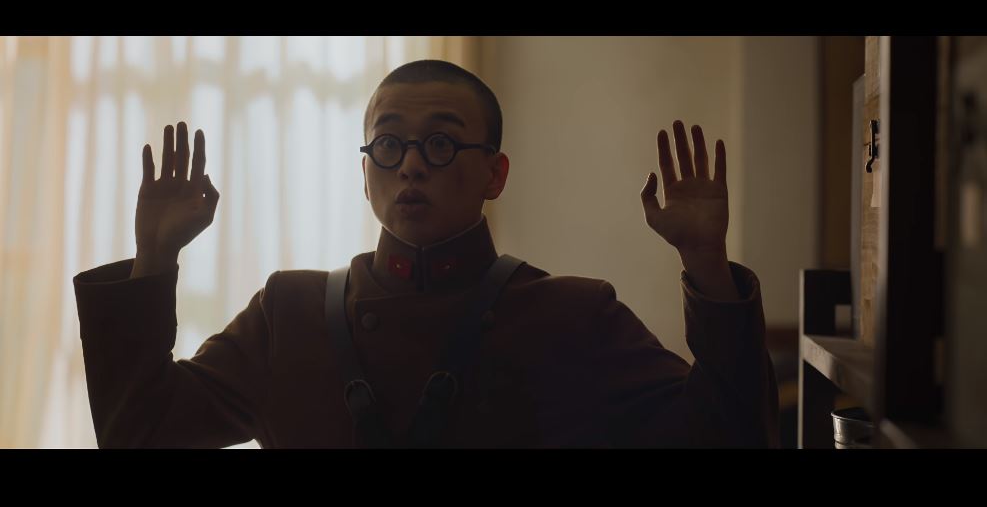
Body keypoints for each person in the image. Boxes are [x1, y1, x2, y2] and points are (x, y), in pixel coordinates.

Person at [73, 59, 778, 448]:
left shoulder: (570, 313)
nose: (410, 163)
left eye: (440, 142)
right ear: (365, 173)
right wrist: (153, 259)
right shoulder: (288, 311)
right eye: (388, 143)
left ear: (495, 174)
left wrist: (705, 263)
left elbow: (729, 435)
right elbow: (142, 431)